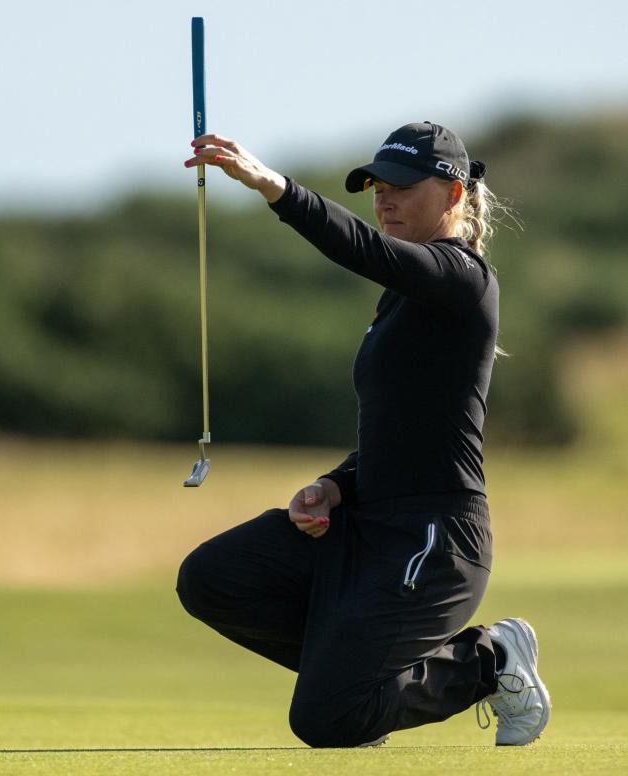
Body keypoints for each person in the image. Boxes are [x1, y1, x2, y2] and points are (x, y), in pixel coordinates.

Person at [174, 122, 551, 748]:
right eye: (377, 186)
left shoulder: (464, 279)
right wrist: (335, 486)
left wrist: (272, 186)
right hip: (368, 526)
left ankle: (490, 661)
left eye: (402, 186)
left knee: (326, 721)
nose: (384, 199)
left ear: (454, 195)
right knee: (213, 577)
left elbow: (363, 249)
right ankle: (365, 687)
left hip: (434, 540)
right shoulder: (399, 301)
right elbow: (402, 428)